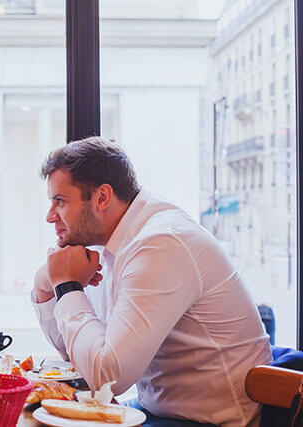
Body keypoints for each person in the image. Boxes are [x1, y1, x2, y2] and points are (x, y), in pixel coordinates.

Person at [32, 137, 272, 427]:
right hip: (161, 412)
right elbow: (81, 359)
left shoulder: (161, 244)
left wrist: (68, 287)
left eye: (59, 201)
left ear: (102, 198)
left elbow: (108, 376)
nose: (49, 216)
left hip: (210, 423)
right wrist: (46, 284)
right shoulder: (110, 246)